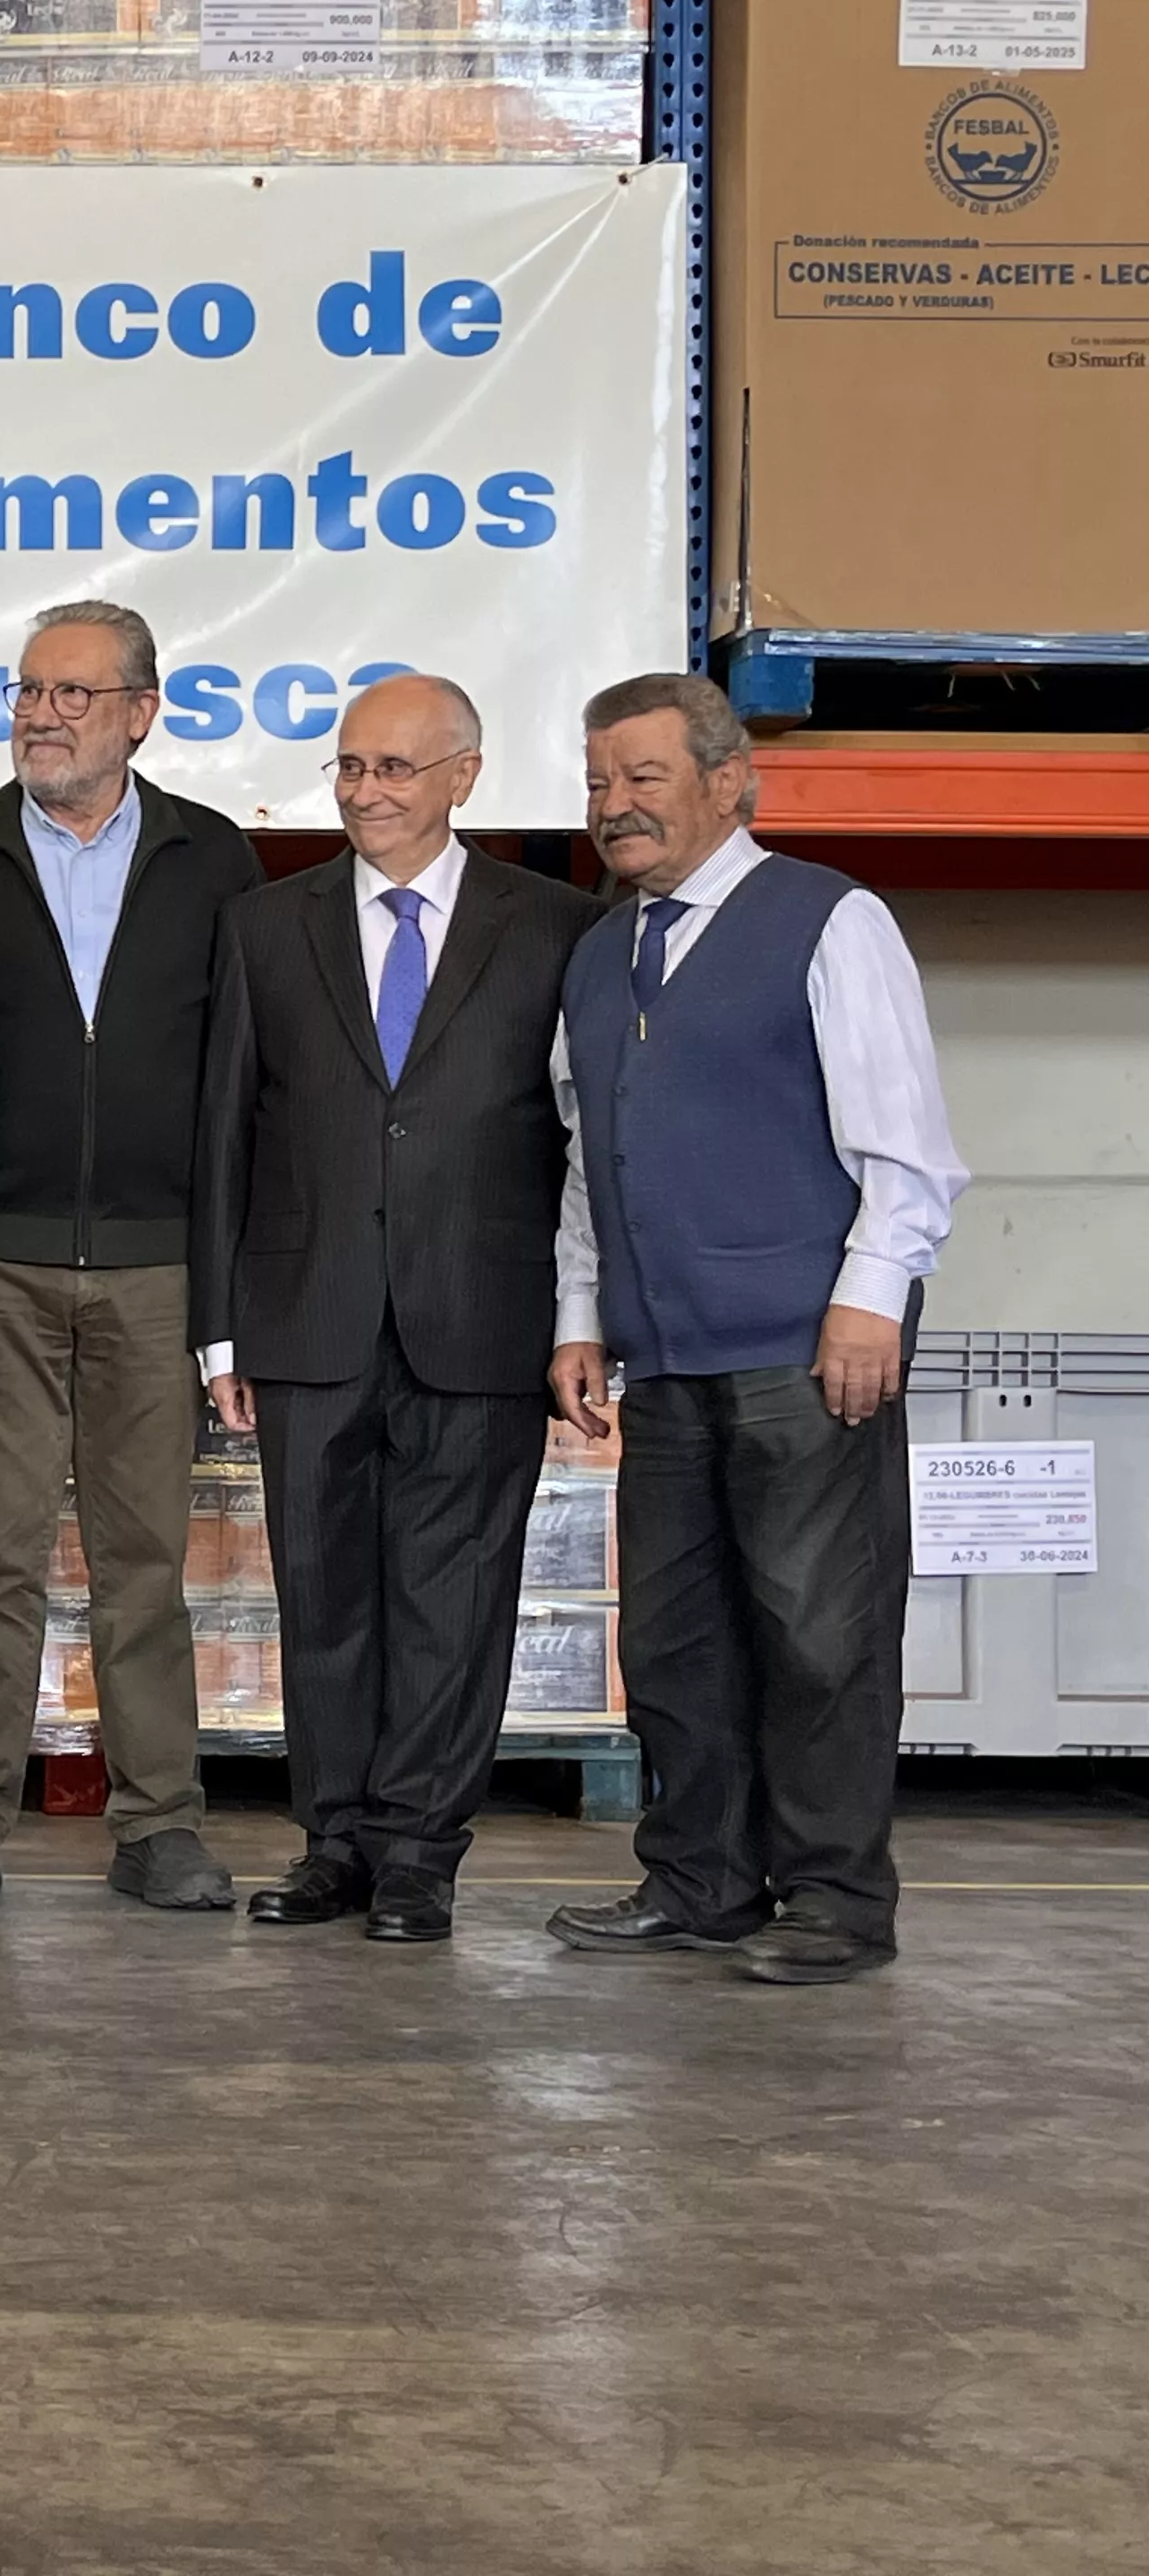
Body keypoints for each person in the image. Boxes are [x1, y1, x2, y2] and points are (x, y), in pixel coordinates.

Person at [545, 673, 964, 1986]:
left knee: (820, 1633)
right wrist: (578, 1318)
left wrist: (868, 1299)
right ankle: (701, 1883)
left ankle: (838, 1902)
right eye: (600, 782)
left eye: (644, 778)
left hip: (802, 1347)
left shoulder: (830, 921)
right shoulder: (598, 954)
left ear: (731, 783)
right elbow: (582, 1161)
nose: (616, 806)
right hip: (663, 1358)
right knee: (674, 1637)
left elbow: (908, 1147)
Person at [190, 675, 599, 1944]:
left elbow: (584, 1139)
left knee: (456, 1599)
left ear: (465, 778)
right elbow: (224, 1141)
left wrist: (584, 1314)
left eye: (396, 770)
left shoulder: (559, 927)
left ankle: (421, 1851)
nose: (366, 792)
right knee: (322, 1593)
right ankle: (335, 1842)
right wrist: (221, 1328)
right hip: (308, 1322)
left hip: (484, 1322)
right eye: (351, 768)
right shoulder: (267, 926)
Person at [0, 602, 265, 1915]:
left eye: (71, 693)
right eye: (27, 691)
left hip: (159, 1262)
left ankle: (159, 1822)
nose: (41, 715)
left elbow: (243, 1075)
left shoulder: (215, 862)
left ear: (139, 713)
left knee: (142, 1560)